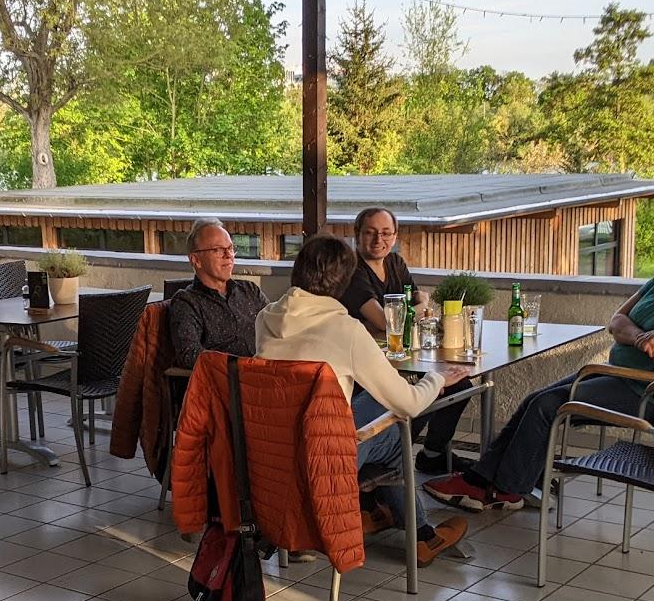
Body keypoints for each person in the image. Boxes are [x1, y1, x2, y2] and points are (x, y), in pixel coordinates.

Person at [257, 234, 469, 566]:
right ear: (345, 282)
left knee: (372, 403)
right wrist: (437, 378)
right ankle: (421, 536)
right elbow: (410, 404)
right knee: (396, 428)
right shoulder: (347, 331)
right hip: (324, 458)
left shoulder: (266, 318)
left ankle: (371, 509)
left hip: (271, 452)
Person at [425, 280, 654, 512]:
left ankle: (506, 488)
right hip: (616, 373)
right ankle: (487, 479)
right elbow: (616, 321)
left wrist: (637, 337)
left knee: (545, 407)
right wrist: (639, 337)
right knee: (533, 400)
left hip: (643, 390)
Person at [342, 205, 469, 475]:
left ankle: (432, 453)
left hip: (403, 357)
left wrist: (409, 311)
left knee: (459, 385)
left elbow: (409, 308)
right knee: (423, 391)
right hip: (367, 367)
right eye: (371, 233)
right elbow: (386, 323)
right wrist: (416, 308)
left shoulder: (395, 263)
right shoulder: (352, 271)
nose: (379, 240)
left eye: (386, 233)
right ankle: (391, 456)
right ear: (357, 234)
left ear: (395, 236)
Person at [169, 217, 267, 369]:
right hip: (224, 384)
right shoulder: (187, 302)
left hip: (266, 374)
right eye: (218, 250)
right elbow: (188, 355)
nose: (228, 255)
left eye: (230, 248)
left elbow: (276, 325)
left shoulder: (250, 290)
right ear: (196, 260)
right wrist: (239, 365)